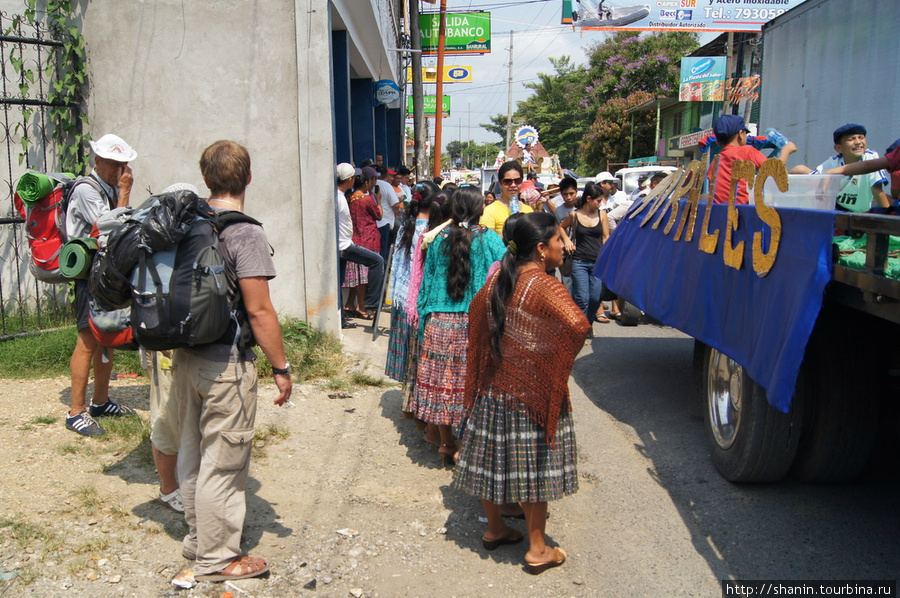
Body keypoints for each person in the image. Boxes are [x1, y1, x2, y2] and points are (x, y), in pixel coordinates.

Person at [175, 140, 292, 582]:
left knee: (193, 455)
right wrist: (280, 368)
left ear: (206, 180)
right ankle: (218, 558)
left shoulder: (187, 224)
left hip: (185, 357)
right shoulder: (245, 233)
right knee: (223, 464)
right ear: (247, 177)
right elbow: (259, 310)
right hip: (226, 363)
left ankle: (197, 540)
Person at [454, 212, 590, 574]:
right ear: (542, 249)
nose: (566, 245)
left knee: (491, 461)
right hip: (529, 393)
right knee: (533, 471)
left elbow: (475, 311)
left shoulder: (501, 276)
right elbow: (578, 325)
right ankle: (537, 549)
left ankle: (496, 529)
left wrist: (503, 354)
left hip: (494, 388)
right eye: (561, 239)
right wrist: (549, 362)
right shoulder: (544, 285)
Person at [415, 186, 507, 466]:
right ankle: (465, 445)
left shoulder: (438, 238)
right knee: (472, 384)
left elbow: (426, 284)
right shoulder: (490, 239)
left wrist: (423, 319)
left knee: (443, 385)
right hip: (473, 322)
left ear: (454, 210)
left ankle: (446, 443)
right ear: (480, 210)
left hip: (439, 322)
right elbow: (504, 275)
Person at [64, 133, 137, 436]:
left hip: (104, 276)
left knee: (106, 336)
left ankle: (101, 400)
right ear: (98, 161)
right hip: (88, 279)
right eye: (115, 163)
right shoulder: (87, 190)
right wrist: (124, 194)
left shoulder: (106, 188)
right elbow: (108, 232)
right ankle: (75, 412)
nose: (121, 170)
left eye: (124, 164)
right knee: (87, 340)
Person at [794, 124, 889, 212]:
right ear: (839, 148)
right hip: (837, 210)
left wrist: (887, 217)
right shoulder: (834, 162)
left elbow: (877, 190)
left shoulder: (870, 157)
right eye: (851, 139)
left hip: (860, 214)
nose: (858, 142)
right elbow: (800, 172)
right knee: (799, 170)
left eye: (861, 137)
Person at [707, 114, 798, 204]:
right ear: (741, 134)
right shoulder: (746, 151)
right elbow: (776, 170)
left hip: (719, 211)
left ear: (718, 142)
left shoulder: (715, 160)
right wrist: (786, 150)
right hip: (740, 211)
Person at [335, 163, 385, 326]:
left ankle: (341, 318)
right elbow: (378, 215)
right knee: (377, 261)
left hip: (346, 242)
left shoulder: (345, 196)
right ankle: (371, 303)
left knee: (340, 281)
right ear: (350, 180)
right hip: (345, 245)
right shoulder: (344, 198)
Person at [559, 183, 610, 327]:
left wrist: (607, 257)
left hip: (597, 262)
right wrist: (567, 240)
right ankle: (581, 330)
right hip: (579, 261)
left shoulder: (602, 214)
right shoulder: (574, 215)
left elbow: (605, 237)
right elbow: (560, 227)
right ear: (589, 199)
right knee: (582, 298)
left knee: (595, 298)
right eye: (598, 201)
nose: (601, 204)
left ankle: (588, 324)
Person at [480, 161, 533, 235]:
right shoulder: (490, 211)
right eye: (507, 181)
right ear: (500, 184)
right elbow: (487, 241)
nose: (513, 185)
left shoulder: (528, 211)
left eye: (517, 181)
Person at [374, 165, 401, 262]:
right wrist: (395, 214)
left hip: (373, 224)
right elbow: (396, 204)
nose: (392, 178)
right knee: (383, 249)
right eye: (391, 176)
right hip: (384, 222)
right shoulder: (386, 185)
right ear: (386, 176)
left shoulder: (369, 185)